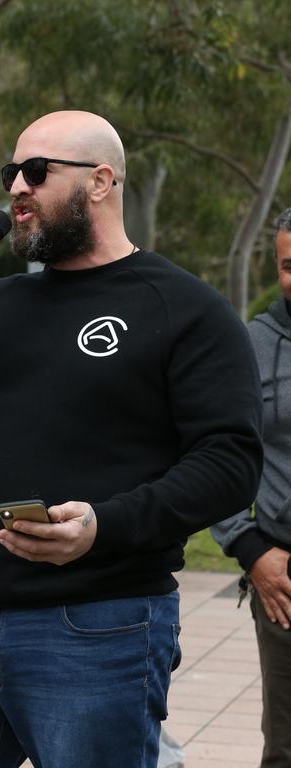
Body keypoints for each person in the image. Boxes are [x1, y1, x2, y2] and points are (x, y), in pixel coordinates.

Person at [0, 110, 263, 768]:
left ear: (101, 181)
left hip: (98, 622)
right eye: (11, 174)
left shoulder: (184, 308)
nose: (17, 189)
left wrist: (103, 526)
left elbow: (230, 462)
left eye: (37, 172)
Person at [211, 207, 291, 766]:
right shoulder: (250, 345)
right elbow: (212, 456)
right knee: (286, 746)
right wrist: (249, 548)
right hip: (283, 577)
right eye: (289, 266)